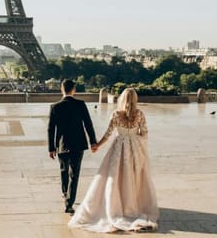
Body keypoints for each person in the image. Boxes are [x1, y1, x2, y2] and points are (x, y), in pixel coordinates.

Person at [68, 88, 159, 232]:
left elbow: (108, 134)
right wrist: (135, 141)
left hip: (119, 147)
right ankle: (131, 205)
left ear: (122, 98)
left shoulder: (116, 114)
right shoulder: (139, 114)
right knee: (134, 177)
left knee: (115, 177)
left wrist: (97, 145)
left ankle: (116, 205)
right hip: (135, 149)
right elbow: (144, 134)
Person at [47, 79, 98, 214]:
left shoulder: (55, 107)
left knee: (64, 170)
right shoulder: (80, 104)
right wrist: (93, 141)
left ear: (62, 89)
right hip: (78, 144)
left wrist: (51, 148)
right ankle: (69, 203)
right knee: (74, 174)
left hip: (62, 144)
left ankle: (65, 193)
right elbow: (88, 124)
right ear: (74, 90)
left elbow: (51, 129)